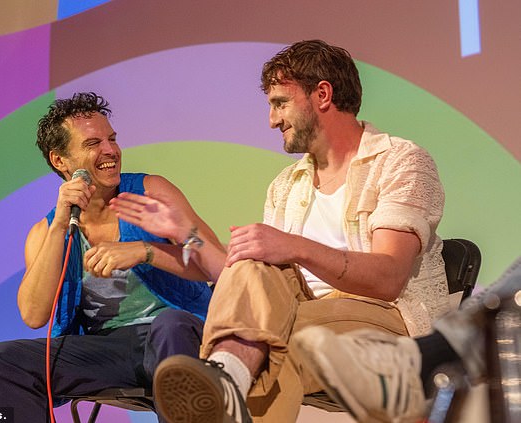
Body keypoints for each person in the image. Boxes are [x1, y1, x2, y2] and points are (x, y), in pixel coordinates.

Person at [111, 39, 449, 423]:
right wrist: (185, 232)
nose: (272, 120)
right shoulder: (288, 184)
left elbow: (388, 279)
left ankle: (228, 379)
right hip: (301, 313)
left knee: (272, 342)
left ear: (322, 94)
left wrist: (294, 247)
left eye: (280, 103)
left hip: (388, 319)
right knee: (255, 273)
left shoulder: (400, 161)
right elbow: (239, 281)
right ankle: (227, 375)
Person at [0, 92, 225, 422]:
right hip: (108, 351)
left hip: (177, 335)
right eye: (93, 143)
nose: (110, 151)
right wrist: (61, 223)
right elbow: (34, 315)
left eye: (112, 139)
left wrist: (145, 251)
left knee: (170, 324)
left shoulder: (151, 191)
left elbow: (217, 263)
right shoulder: (46, 231)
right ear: (60, 161)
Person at [291, 256, 521, 422]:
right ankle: (424, 365)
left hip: (378, 308)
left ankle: (421, 366)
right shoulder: (284, 192)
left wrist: (296, 248)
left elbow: (387, 278)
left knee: (279, 347)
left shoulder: (403, 188)